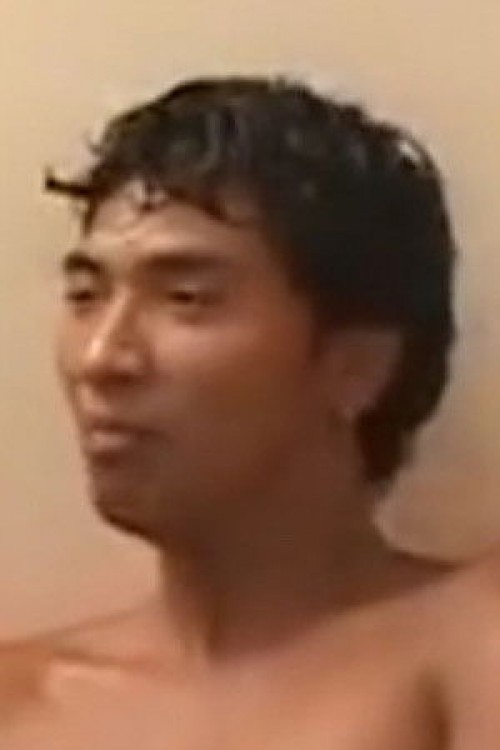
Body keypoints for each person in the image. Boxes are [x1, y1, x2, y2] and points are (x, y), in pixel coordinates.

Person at [2, 75, 500, 749]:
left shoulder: (465, 644)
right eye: (86, 295)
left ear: (357, 367)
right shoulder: (22, 702)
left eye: (187, 297)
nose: (101, 358)